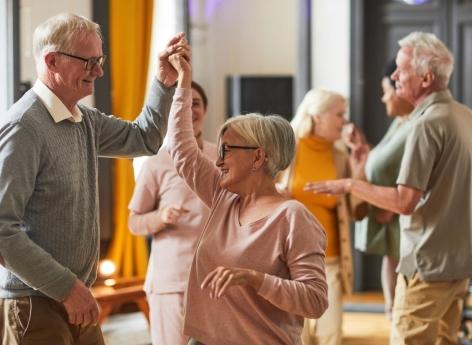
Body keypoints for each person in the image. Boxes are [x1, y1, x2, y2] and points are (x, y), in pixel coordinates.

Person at [0, 13, 188, 345]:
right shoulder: (24, 127)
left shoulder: (84, 119)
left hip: (73, 294)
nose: (99, 72)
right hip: (35, 302)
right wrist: (67, 288)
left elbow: (144, 139)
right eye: (89, 62)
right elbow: (2, 230)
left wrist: (162, 80)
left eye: (100, 60)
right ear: (52, 60)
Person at [307, 31, 472, 344]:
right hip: (460, 262)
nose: (394, 76)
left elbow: (403, 201)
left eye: (402, 69)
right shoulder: (464, 115)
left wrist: (349, 184)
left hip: (427, 263)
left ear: (425, 78)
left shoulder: (425, 123)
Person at [165, 48, 328, 344]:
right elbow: (182, 150)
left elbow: (315, 300)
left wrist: (254, 279)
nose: (218, 159)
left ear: (258, 158)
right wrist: (183, 82)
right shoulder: (223, 196)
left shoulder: (292, 217)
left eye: (227, 150)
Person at [128, 81, 216, 345]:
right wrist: (161, 216)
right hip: (172, 282)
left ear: (205, 110)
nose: (190, 109)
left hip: (216, 280)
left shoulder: (221, 157)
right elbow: (134, 222)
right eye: (182, 104)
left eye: (196, 103)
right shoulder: (156, 161)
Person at [278, 89, 365, 345]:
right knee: (295, 337)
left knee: (330, 335)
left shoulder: (339, 156)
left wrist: (358, 172)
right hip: (288, 260)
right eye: (339, 114)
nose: (344, 121)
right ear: (317, 116)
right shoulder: (286, 148)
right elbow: (256, 195)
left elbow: (358, 211)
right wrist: (274, 193)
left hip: (331, 261)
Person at [346, 60, 414, 319]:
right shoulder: (399, 122)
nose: (383, 97)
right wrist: (365, 150)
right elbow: (389, 160)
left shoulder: (417, 126)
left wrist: (395, 210)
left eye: (386, 90)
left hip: (400, 217)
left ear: (399, 90)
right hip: (391, 219)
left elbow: (425, 176)